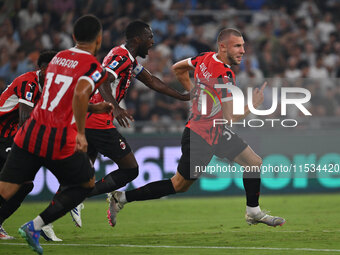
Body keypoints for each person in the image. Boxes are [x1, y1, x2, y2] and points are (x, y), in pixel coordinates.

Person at [108, 28, 286, 227]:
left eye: (243, 45)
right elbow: (229, 118)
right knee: (179, 185)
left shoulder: (205, 58)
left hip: (215, 131)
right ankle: (121, 198)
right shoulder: (225, 76)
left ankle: (253, 211)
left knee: (253, 163)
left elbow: (177, 68)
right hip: (200, 136)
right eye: (237, 46)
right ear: (223, 46)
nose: (243, 50)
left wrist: (194, 92)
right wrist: (254, 104)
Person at [0, 15, 111, 254]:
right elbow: (80, 94)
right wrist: (81, 133)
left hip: (28, 133)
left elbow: (60, 96)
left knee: (7, 189)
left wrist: (94, 107)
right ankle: (36, 225)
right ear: (99, 39)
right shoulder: (94, 67)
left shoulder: (58, 58)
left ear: (73, 37)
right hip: (57, 137)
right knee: (85, 183)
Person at [69, 20, 190, 228]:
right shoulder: (121, 56)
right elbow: (103, 79)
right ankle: (76, 197)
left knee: (85, 172)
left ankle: (47, 220)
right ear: (137, 39)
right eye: (149, 37)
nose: (152, 42)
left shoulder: (130, 60)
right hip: (97, 120)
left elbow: (152, 81)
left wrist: (182, 96)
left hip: (92, 119)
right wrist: (115, 107)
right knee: (130, 170)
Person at [0, 51, 63, 241]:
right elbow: (25, 118)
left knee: (24, 184)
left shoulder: (51, 87)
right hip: (3, 135)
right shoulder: (29, 82)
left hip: (10, 137)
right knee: (20, 183)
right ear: (43, 69)